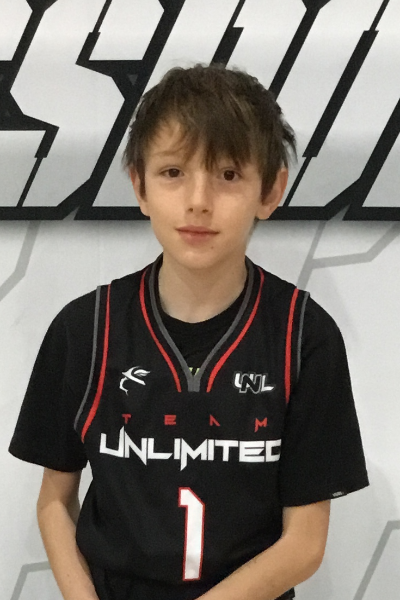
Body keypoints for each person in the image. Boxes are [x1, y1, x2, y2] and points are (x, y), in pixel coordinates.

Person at [9, 64, 369, 600]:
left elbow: (305, 543)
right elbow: (55, 502)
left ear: (270, 191)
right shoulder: (83, 329)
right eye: (173, 172)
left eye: (228, 174)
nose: (198, 200)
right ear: (140, 185)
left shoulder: (304, 336)